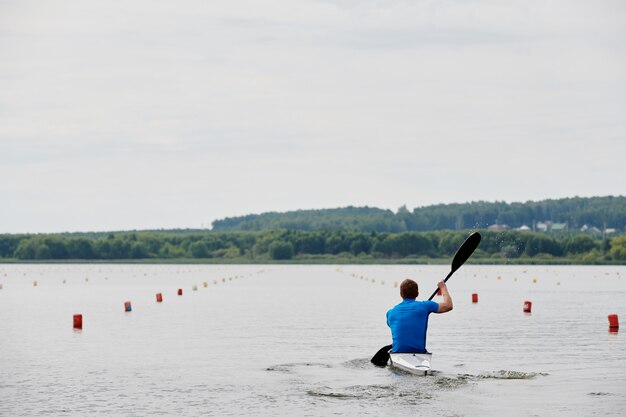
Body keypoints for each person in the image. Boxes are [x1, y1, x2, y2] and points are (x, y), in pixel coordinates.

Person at [386, 279, 453, 353]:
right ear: (417, 293)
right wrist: (443, 287)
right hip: (420, 354)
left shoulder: (390, 313)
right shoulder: (425, 306)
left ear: (401, 294)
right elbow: (449, 305)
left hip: (398, 353)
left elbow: (395, 326)